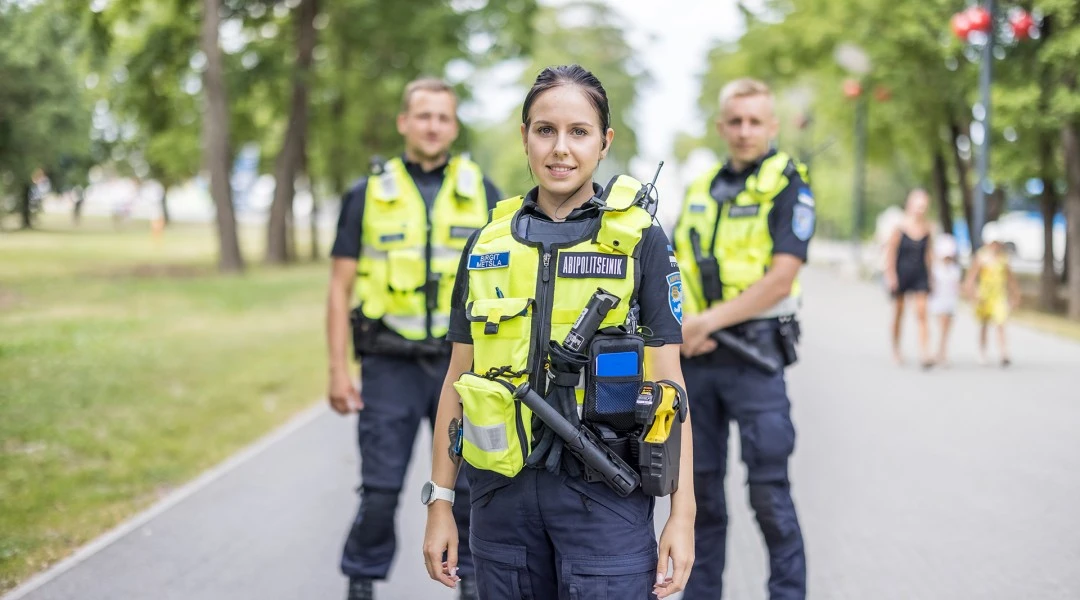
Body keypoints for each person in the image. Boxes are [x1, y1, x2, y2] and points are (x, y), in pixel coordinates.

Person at [422, 64, 696, 599]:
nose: (560, 149)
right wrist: (440, 502)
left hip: (607, 504)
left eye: (579, 132)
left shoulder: (642, 240)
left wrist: (681, 516)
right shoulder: (486, 245)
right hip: (500, 504)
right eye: (545, 130)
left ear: (604, 142)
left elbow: (672, 388)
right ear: (524, 136)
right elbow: (457, 381)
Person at [326, 77, 502, 600]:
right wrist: (338, 370)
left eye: (443, 117)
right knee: (380, 490)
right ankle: (362, 579)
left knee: (469, 486)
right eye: (423, 116)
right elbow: (338, 288)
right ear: (404, 122)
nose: (433, 126)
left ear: (454, 126)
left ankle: (471, 581)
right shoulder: (366, 195)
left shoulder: (484, 192)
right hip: (389, 364)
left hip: (461, 366)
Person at [673, 77, 811, 600]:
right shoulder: (700, 188)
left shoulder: (788, 184)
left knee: (770, 499)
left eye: (755, 121)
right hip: (698, 361)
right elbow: (673, 268)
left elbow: (781, 278)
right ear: (721, 126)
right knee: (700, 500)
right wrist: (681, 331)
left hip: (756, 359)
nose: (745, 130)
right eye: (735, 121)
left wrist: (706, 322)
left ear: (772, 126)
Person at [883, 189, 935, 368]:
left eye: (924, 206)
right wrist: (891, 275)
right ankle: (896, 349)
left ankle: (924, 352)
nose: (921, 209)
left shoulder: (928, 228)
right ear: (910, 205)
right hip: (902, 273)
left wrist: (932, 276)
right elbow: (890, 253)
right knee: (899, 312)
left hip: (920, 273)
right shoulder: (899, 228)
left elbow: (929, 254)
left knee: (922, 312)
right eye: (918, 206)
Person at [964, 222, 1020, 367]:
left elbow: (1010, 279)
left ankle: (1003, 353)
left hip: (999, 296)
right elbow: (971, 279)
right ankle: (982, 351)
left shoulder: (1003, 259)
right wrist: (972, 295)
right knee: (984, 325)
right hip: (984, 297)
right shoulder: (981, 257)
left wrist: (1015, 295)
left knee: (1001, 322)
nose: (994, 246)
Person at [928, 234, 962, 366]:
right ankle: (941, 353)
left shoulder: (955, 269)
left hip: (951, 301)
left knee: (947, 329)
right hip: (939, 300)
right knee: (942, 326)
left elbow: (957, 286)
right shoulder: (936, 269)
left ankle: (941, 352)